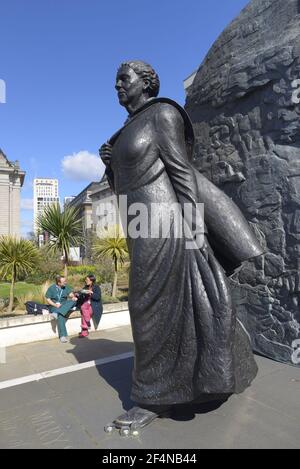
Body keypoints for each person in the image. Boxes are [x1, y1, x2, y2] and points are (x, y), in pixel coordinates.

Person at [100, 60, 264, 434]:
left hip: (168, 227)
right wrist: (111, 167)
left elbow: (181, 173)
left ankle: (151, 399)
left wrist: (194, 234)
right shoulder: (125, 129)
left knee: (147, 307)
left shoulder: (162, 115)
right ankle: (182, 384)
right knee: (159, 309)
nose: (117, 86)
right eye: (115, 82)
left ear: (146, 82)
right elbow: (123, 191)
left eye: (123, 79)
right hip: (142, 228)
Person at [45, 275, 77, 343]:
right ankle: (62, 336)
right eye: (64, 281)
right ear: (59, 283)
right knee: (60, 315)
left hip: (63, 305)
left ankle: (57, 313)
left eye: (65, 281)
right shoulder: (51, 288)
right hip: (54, 306)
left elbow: (70, 294)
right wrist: (55, 305)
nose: (65, 282)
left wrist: (73, 296)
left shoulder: (66, 287)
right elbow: (48, 299)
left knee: (74, 301)